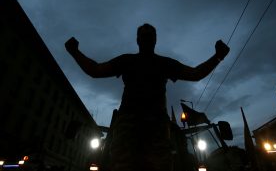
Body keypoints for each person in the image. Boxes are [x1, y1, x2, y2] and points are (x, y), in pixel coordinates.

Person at [65, 23, 230, 171]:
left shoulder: (162, 63)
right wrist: (75, 52)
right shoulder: (129, 61)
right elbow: (96, 70)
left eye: (150, 36)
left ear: (155, 40)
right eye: (144, 36)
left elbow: (195, 74)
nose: (147, 39)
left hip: (154, 131)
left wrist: (217, 57)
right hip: (129, 130)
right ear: (138, 40)